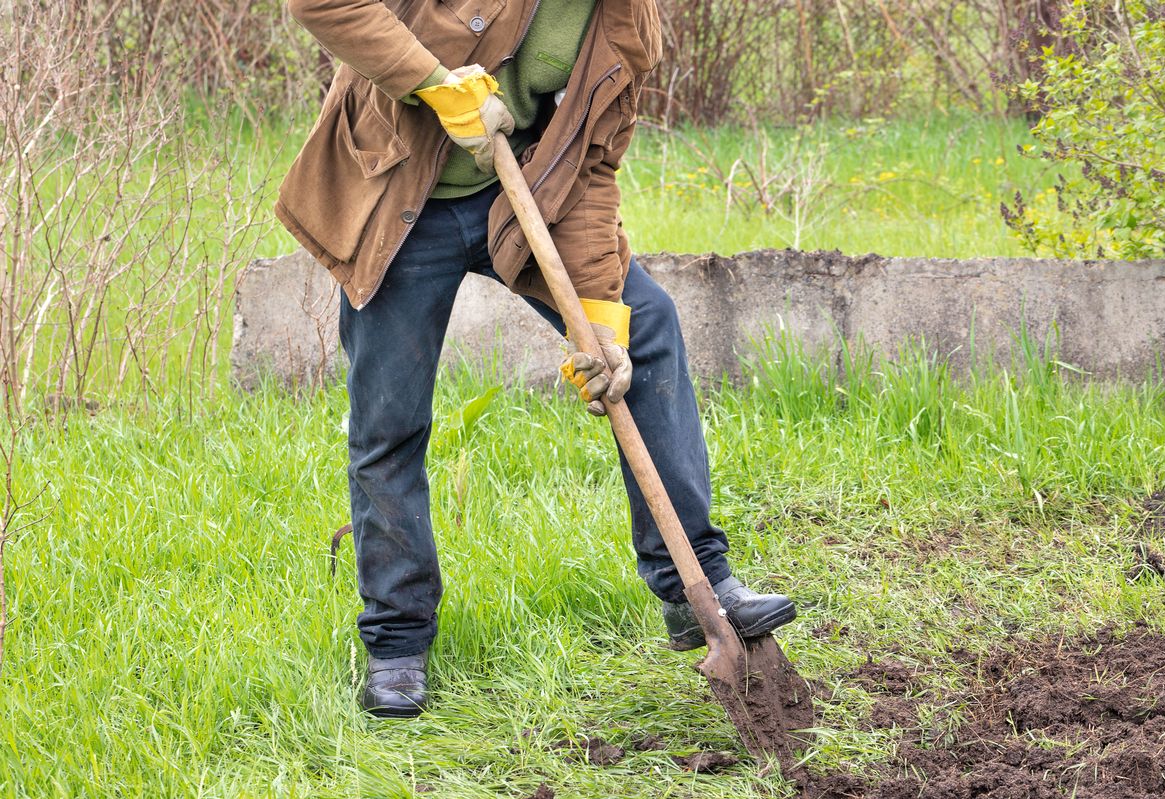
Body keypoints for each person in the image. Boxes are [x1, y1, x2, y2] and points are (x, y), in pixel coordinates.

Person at [277, 0, 797, 718]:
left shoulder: (625, 21)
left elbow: (591, 164)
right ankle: (396, 641)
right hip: (401, 199)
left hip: (518, 200)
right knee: (388, 422)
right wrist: (433, 82)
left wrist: (601, 319)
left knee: (645, 327)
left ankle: (696, 585)